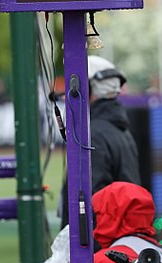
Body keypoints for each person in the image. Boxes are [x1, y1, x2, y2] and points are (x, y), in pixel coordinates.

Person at [60, 55, 141, 228]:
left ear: (87, 90)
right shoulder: (121, 130)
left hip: (99, 248)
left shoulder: (93, 135)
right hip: (119, 242)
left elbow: (92, 205)